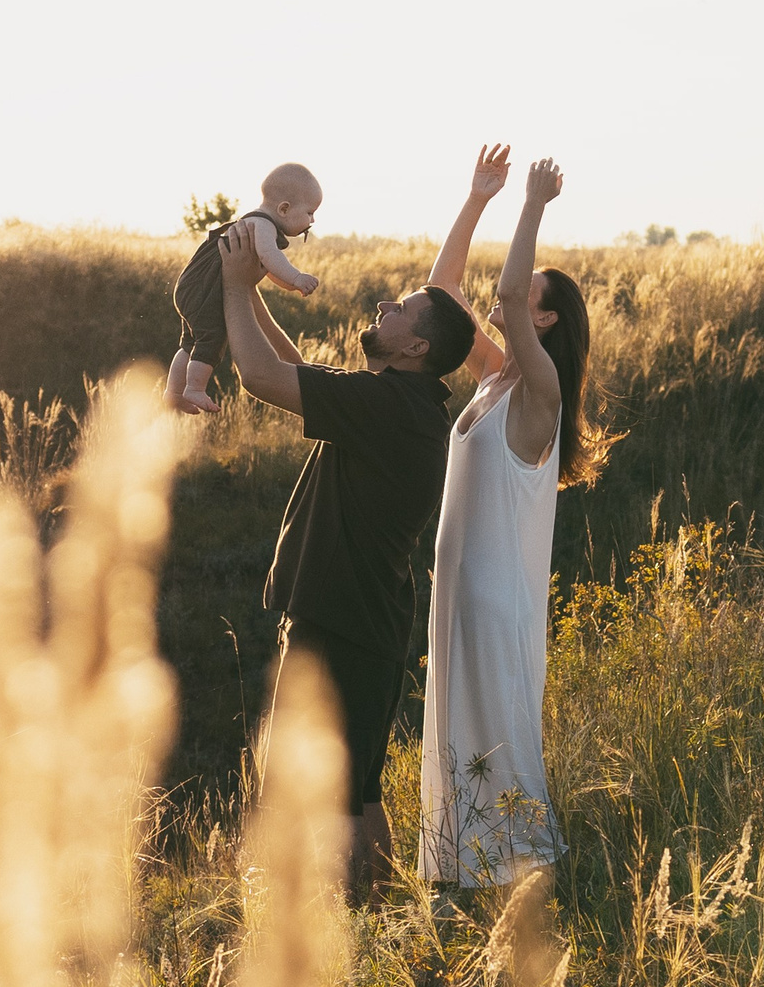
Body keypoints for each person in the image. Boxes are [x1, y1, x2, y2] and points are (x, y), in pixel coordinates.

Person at [216, 165, 481, 894]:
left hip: (343, 620)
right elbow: (295, 371)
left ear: (415, 347)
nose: (386, 304)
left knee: (328, 786)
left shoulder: (390, 406)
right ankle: (371, 919)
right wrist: (252, 296)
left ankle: (352, 917)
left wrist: (237, 288)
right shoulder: (401, 403)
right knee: (356, 784)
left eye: (402, 309)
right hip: (365, 617)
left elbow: (260, 380)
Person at [418, 149, 595, 886]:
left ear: (544, 317)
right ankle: (459, 883)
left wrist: (533, 205)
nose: (513, 300)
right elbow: (441, 290)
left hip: (495, 606)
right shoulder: (498, 378)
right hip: (459, 594)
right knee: (459, 745)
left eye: (530, 301)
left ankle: (532, 884)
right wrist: (477, 197)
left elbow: (508, 288)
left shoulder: (541, 392)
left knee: (500, 747)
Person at [169, 163, 322, 413]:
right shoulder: (263, 225)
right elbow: (270, 256)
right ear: (284, 208)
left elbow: (268, 269)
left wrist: (290, 286)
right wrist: (296, 277)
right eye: (310, 213)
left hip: (192, 287)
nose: (312, 220)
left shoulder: (251, 224)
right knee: (212, 337)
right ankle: (194, 389)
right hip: (206, 290)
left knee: (190, 342)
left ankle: (173, 392)